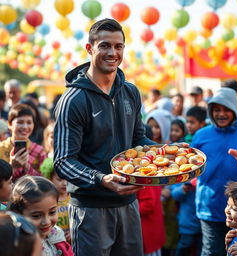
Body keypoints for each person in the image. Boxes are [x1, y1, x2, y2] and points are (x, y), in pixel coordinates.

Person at [53, 18, 154, 256]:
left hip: (129, 204)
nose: (113, 52)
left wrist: (167, 152)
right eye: (105, 46)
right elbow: (63, 161)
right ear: (90, 49)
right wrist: (101, 179)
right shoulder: (74, 100)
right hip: (91, 209)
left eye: (118, 46)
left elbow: (139, 141)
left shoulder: (130, 91)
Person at [191, 87, 237, 256]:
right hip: (209, 208)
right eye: (217, 109)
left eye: (227, 109)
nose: (221, 114)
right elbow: (190, 167)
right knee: (211, 251)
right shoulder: (200, 135)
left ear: (235, 110)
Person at [8, 176, 74, 256]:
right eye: (36, 216)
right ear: (18, 214)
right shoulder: (20, 246)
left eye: (52, 212)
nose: (46, 221)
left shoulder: (57, 233)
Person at [0, 104, 46, 181]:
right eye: (20, 122)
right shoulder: (1, 148)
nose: (25, 127)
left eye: (29, 122)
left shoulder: (39, 151)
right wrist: (12, 167)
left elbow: (45, 180)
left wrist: (27, 167)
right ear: (10, 124)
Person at [40, 158, 71, 244]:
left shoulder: (73, 198)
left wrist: (72, 233)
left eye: (67, 178)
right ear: (49, 178)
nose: (65, 183)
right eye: (59, 179)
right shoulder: (47, 200)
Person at [170, 181, 202, 256]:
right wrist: (183, 189)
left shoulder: (207, 174)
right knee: (184, 245)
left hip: (205, 220)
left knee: (201, 248)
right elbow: (174, 194)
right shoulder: (186, 174)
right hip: (187, 220)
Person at [137, 186, 166, 256]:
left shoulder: (146, 179)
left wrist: (127, 211)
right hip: (149, 227)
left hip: (147, 229)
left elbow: (147, 205)